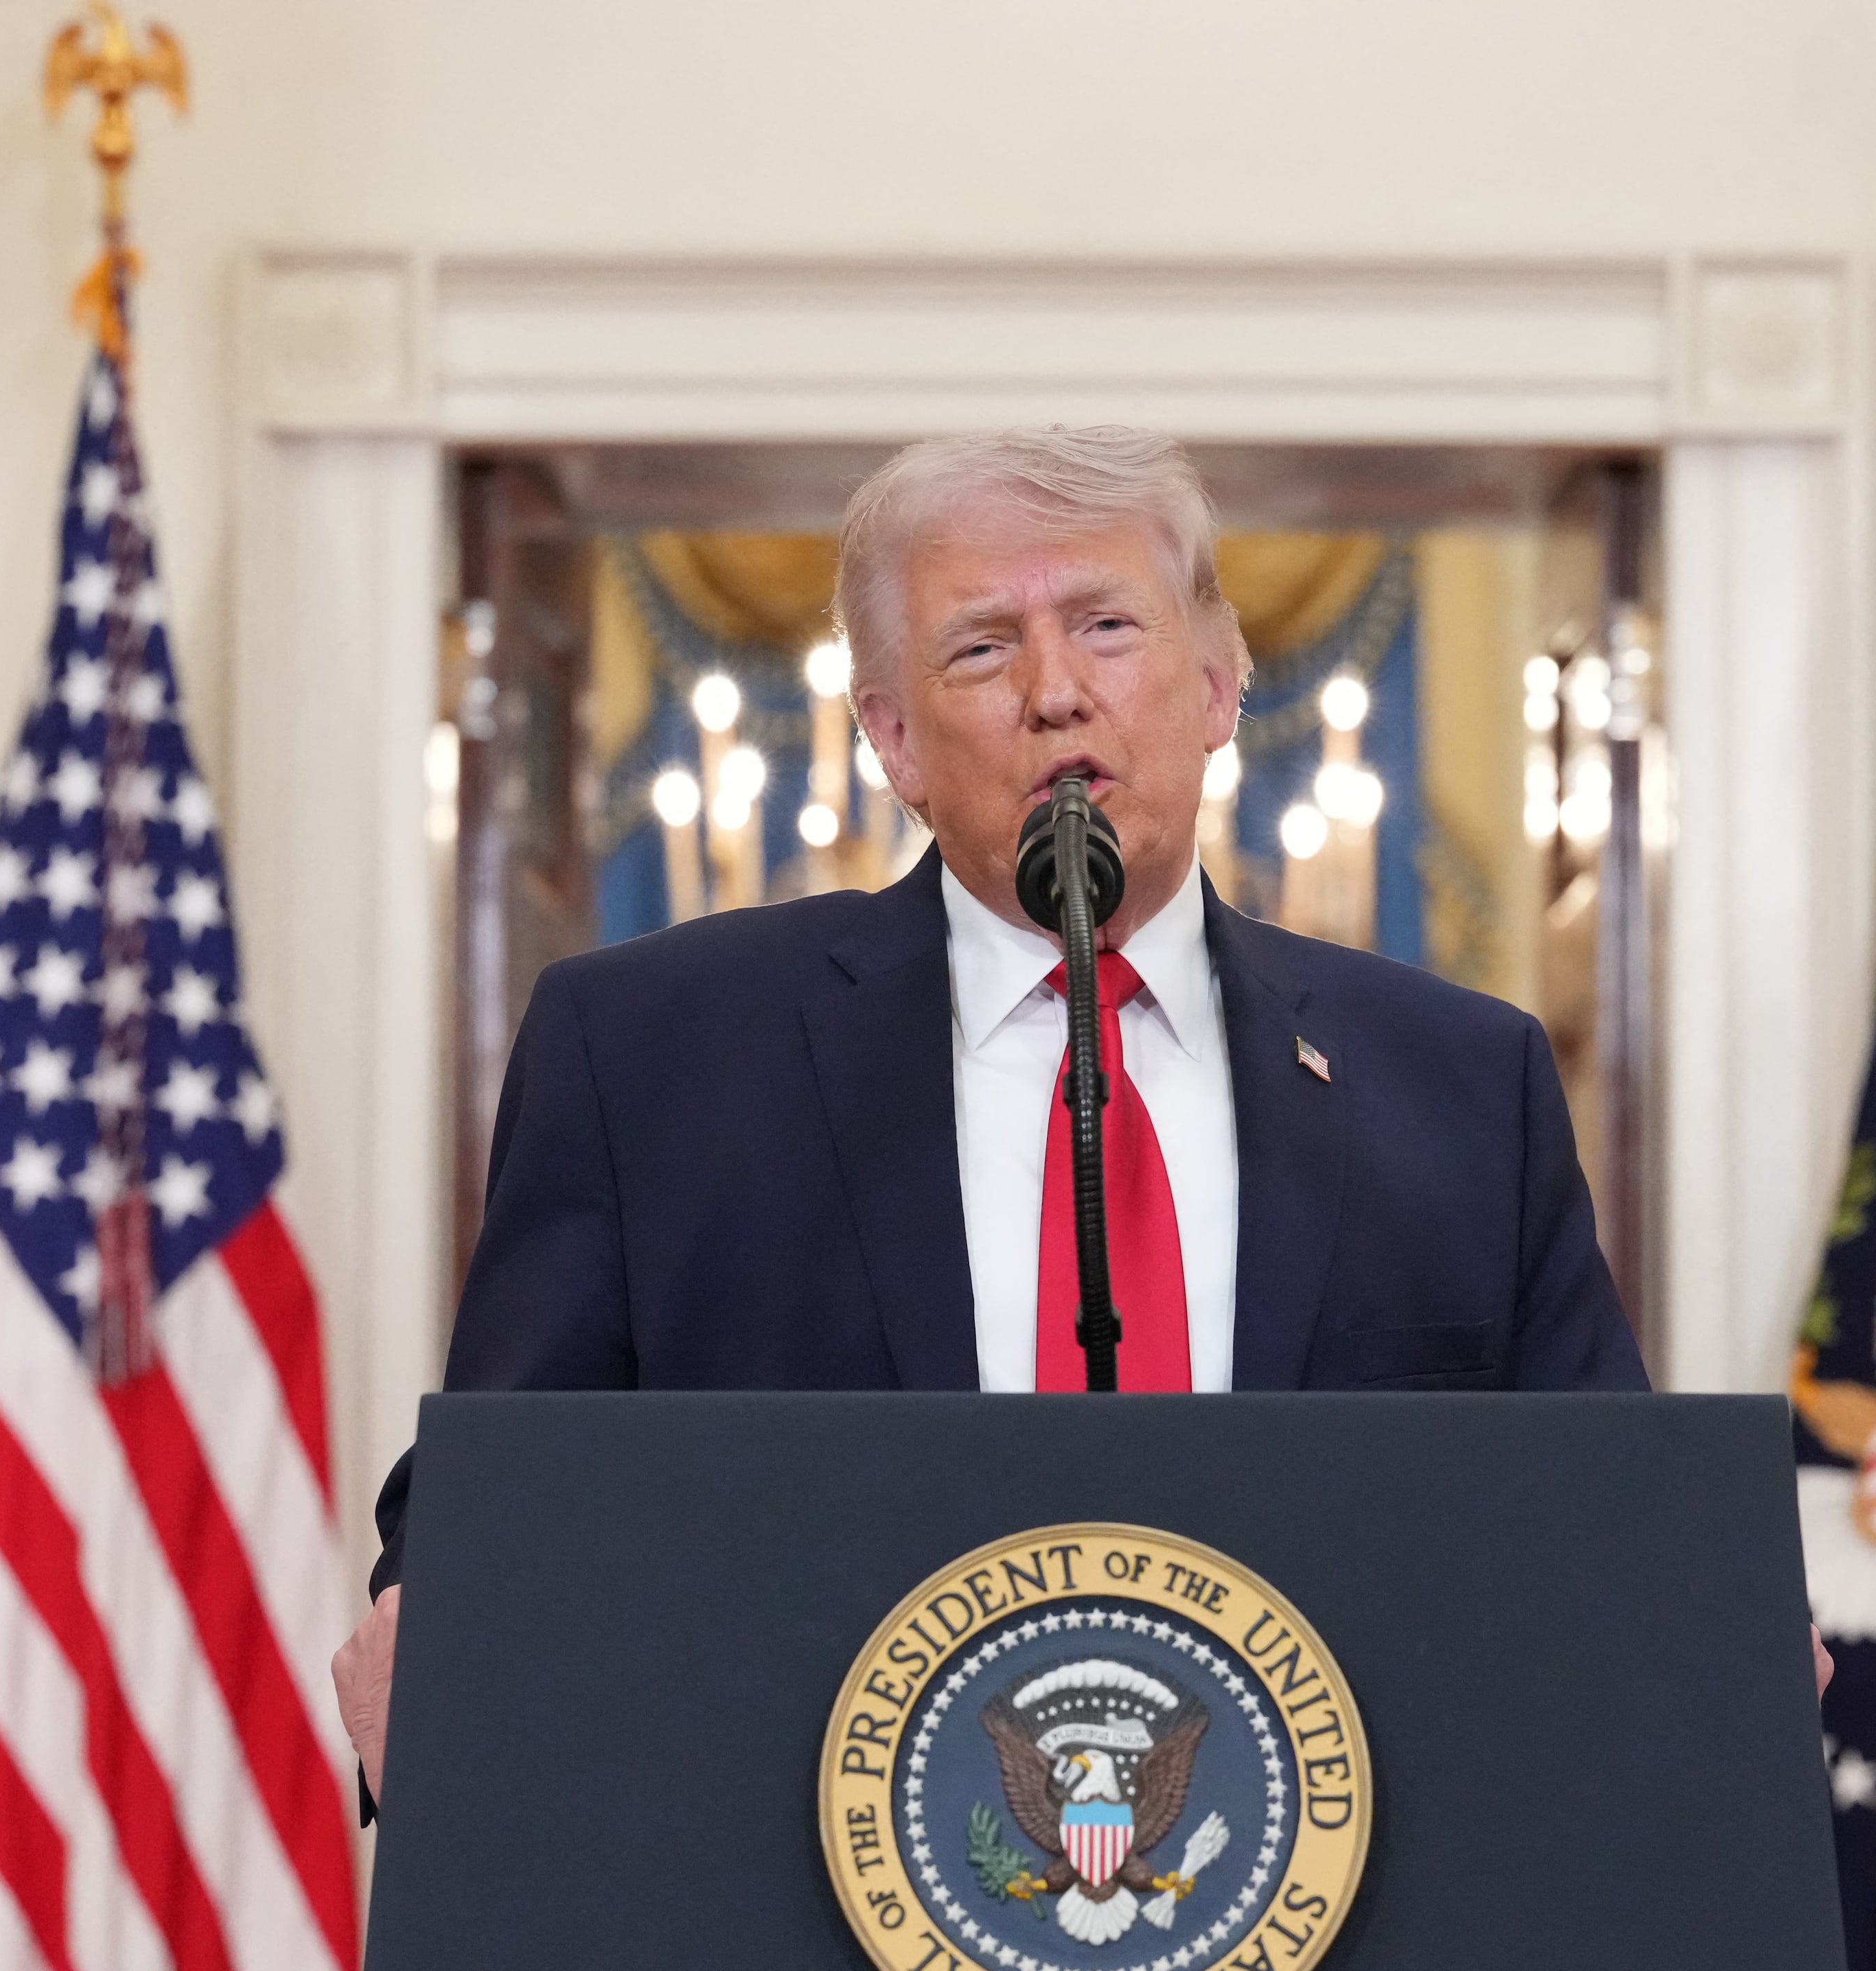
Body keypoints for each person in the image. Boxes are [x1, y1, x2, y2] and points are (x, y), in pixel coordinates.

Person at [330, 427, 1796, 1798]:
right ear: (893, 740)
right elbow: (504, 1484)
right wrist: (436, 1612)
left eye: (1106, 625)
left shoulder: (1462, 1083)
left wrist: (1699, 1627)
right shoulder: (650, 1056)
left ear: (1221, 686)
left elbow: (1597, 1510)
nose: (1054, 689)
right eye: (981, 648)